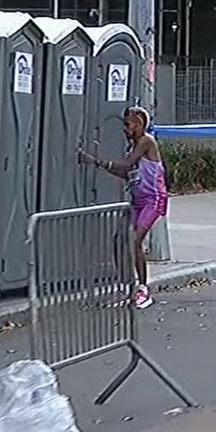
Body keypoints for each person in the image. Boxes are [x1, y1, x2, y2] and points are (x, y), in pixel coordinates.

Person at [78, 105, 168, 310]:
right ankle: (125, 287)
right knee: (119, 240)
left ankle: (143, 288)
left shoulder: (146, 141)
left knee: (134, 241)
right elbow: (127, 174)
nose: (125, 129)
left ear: (139, 124)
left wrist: (97, 161)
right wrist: (98, 165)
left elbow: (126, 165)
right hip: (137, 200)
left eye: (128, 125)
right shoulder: (133, 147)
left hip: (153, 199)